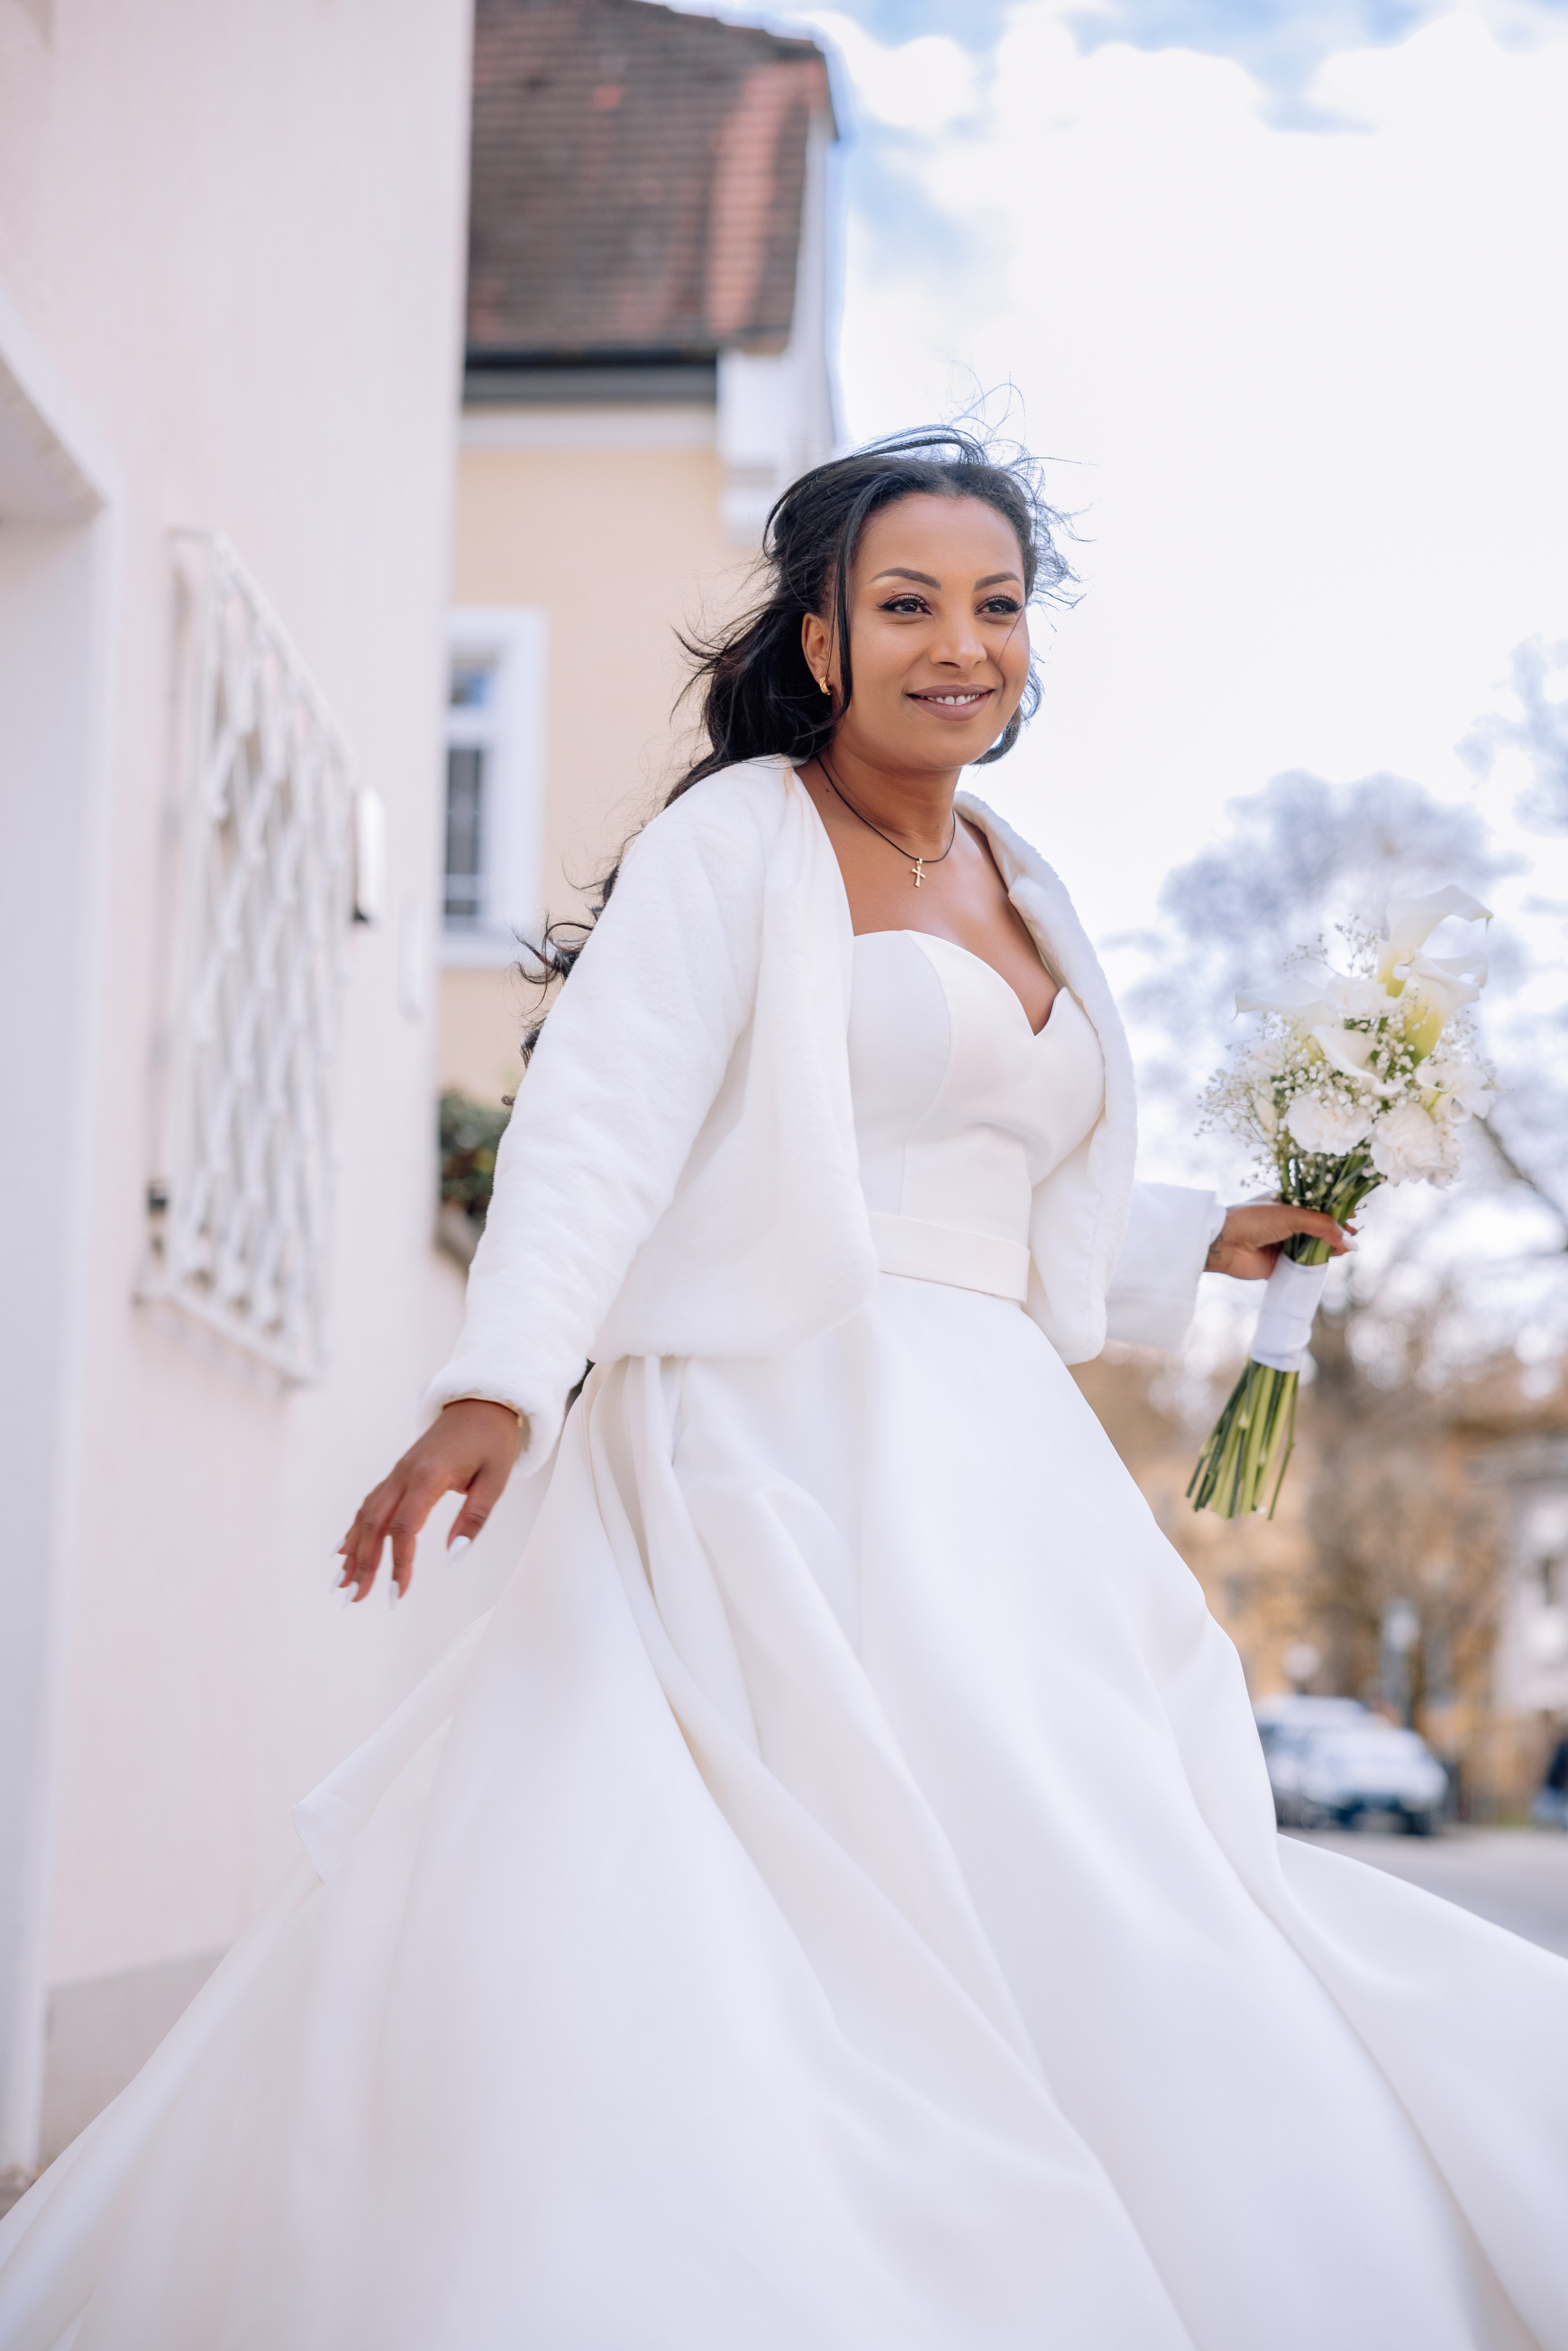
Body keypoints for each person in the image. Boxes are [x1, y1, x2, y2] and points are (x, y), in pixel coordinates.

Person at [2, 428, 1564, 2351]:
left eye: (997, 606)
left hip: (1003, 1460)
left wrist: (1206, 1242)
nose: (959, 645)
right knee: (809, 1877)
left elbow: (1004, 1189)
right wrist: (499, 1385)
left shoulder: (1024, 876)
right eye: (907, 604)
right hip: (776, 1433)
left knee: (1100, 1864)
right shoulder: (736, 840)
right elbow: (601, 1129)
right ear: (822, 636)